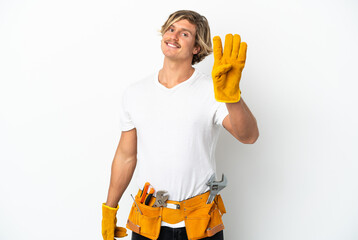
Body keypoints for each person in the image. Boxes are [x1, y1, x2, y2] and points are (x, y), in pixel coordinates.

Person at [101, 9, 259, 240]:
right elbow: (126, 157)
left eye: (185, 34)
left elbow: (249, 136)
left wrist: (232, 97)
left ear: (197, 47)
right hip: (148, 222)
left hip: (200, 224)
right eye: (171, 29)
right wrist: (109, 209)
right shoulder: (135, 93)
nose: (173, 36)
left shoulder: (212, 91)